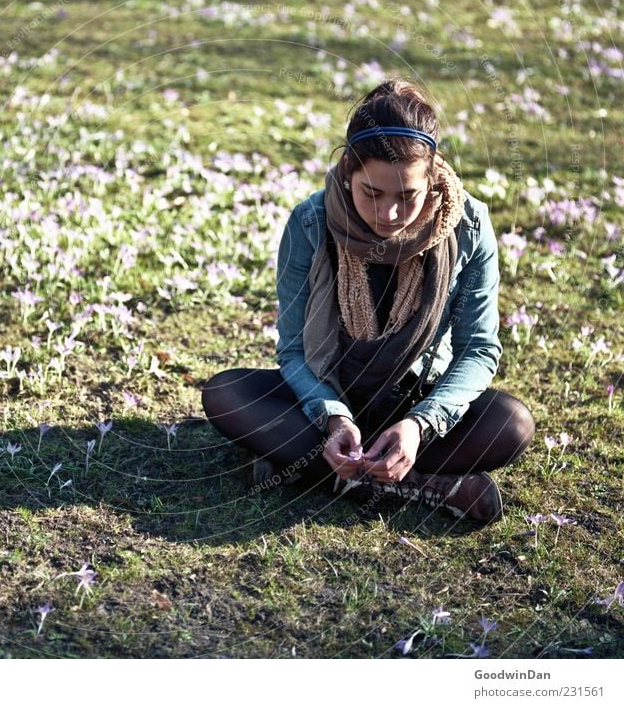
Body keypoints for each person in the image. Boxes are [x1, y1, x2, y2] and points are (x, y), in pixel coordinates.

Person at [201, 79, 535, 526]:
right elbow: (296, 350)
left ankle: (312, 467)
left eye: (408, 196)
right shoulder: (310, 222)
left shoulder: (469, 225)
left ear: (433, 176)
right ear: (347, 171)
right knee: (226, 394)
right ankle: (423, 484)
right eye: (371, 193)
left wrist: (420, 424)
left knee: (512, 424)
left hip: (418, 398)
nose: (389, 215)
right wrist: (334, 419)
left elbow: (479, 347)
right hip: (330, 395)